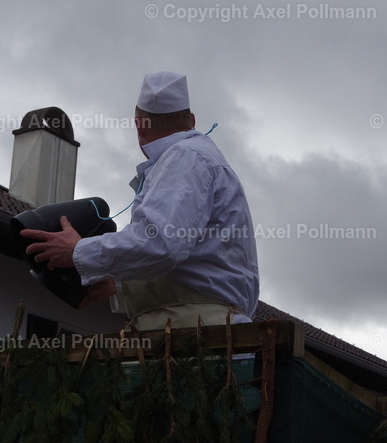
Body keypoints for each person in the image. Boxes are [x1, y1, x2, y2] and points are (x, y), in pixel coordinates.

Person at [20, 71, 260, 330]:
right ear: (191, 120)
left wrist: (78, 251)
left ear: (138, 125)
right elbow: (190, 261)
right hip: (197, 327)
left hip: (196, 332)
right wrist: (120, 286)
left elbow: (162, 243)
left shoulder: (184, 157)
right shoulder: (193, 158)